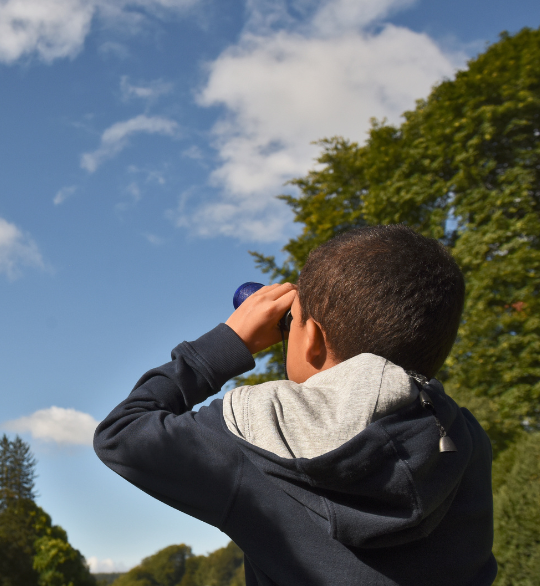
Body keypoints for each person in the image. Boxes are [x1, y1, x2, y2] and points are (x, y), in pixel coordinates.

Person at [94, 225, 494, 585]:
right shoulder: (464, 440)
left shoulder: (256, 432)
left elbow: (122, 433)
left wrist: (227, 343)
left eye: (293, 320)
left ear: (315, 339)